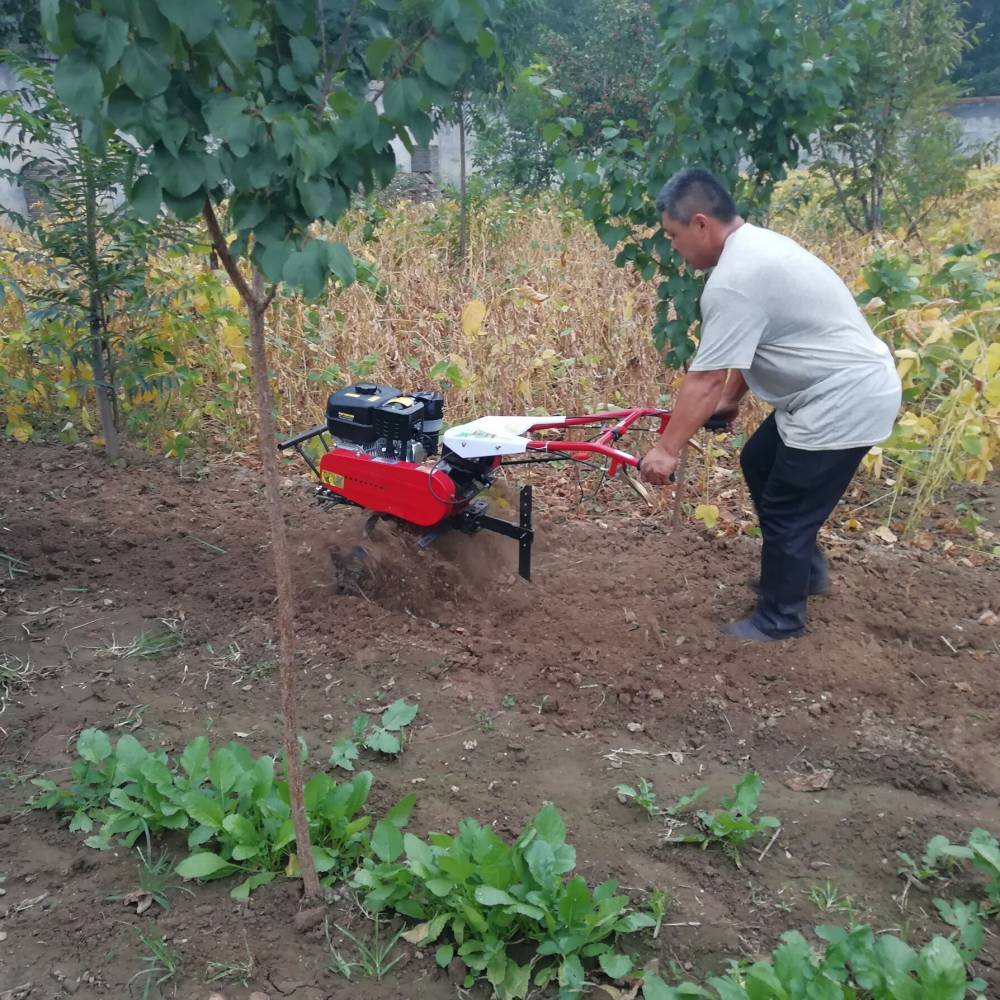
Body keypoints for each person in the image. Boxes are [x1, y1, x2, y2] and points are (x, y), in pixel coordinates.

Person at [640, 167, 901, 641]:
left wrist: (667, 449)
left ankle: (779, 619)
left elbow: (702, 379)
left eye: (674, 236)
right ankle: (803, 574)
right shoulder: (755, 248)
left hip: (842, 399)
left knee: (786, 509)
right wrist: (731, 399)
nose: (674, 248)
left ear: (701, 223)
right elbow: (748, 349)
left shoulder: (737, 278)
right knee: (760, 459)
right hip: (831, 392)